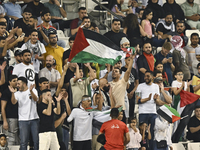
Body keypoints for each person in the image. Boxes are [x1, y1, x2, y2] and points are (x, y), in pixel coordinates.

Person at [9, 77, 39, 150]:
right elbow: (13, 102)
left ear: (24, 84)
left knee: (36, 141)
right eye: (17, 84)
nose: (17, 85)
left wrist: (31, 91)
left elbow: (36, 99)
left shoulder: (33, 90)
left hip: (34, 119)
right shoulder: (17, 93)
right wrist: (12, 93)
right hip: (23, 120)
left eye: (19, 84)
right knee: (23, 142)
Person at [135, 71, 161, 149]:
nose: (146, 78)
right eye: (145, 76)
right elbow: (138, 101)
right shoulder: (140, 86)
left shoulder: (156, 86)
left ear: (152, 77)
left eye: (148, 76)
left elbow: (157, 100)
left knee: (153, 133)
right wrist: (147, 99)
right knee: (142, 132)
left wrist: (156, 99)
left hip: (153, 112)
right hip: (143, 112)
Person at [1, 75, 19, 145]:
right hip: (10, 118)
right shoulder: (6, 92)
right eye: (14, 81)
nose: (16, 82)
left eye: (17, 81)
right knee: (11, 137)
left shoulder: (19, 91)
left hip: (19, 117)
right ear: (9, 82)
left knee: (18, 138)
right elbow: (2, 108)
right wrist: (5, 121)